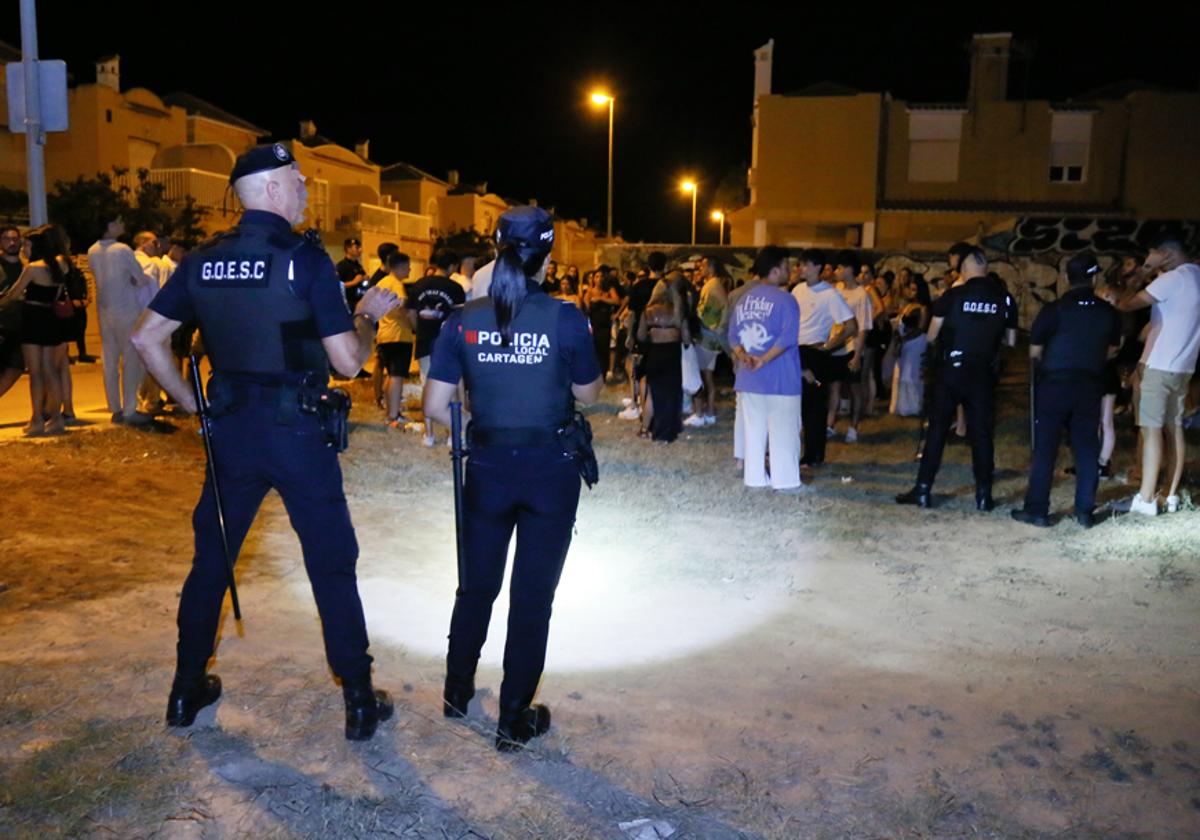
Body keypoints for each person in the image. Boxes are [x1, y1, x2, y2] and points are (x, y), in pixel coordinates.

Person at [130, 143, 399, 740]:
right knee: (331, 563)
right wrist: (367, 315)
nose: (305, 190)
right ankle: (357, 697)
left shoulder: (203, 259)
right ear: (274, 191)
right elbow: (349, 364)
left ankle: (184, 690)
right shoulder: (306, 259)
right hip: (297, 429)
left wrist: (192, 407)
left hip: (231, 430)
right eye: (299, 181)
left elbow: (147, 339)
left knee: (211, 563)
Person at [422, 205, 603, 751]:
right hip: (549, 469)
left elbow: (435, 404)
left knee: (476, 584)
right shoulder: (566, 317)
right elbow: (589, 394)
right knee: (531, 596)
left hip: (488, 468)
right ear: (547, 258)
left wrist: (485, 422)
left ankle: (457, 692)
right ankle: (513, 718)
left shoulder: (463, 317)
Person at [896, 246, 1017, 510]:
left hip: (951, 370)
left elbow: (931, 335)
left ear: (963, 270)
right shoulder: (1004, 299)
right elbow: (1010, 340)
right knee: (982, 434)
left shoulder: (953, 296)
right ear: (986, 269)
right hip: (983, 373)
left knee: (937, 430)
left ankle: (924, 489)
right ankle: (984, 496)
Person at [1012, 253, 1121, 528]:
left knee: (1046, 448)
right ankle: (1084, 510)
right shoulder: (1108, 312)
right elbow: (1113, 348)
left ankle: (1037, 510)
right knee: (1086, 446)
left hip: (1055, 384)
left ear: (1065, 278)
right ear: (1095, 277)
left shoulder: (1054, 309)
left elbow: (1034, 351)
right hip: (1090, 384)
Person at [1116, 236, 1200, 515]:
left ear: (1165, 253)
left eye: (1151, 252)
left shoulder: (1172, 279)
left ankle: (1146, 498)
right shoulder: (1197, 276)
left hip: (1159, 365)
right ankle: (1170, 494)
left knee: (1151, 430)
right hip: (1184, 366)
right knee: (1174, 428)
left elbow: (1125, 304)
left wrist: (1142, 272)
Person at [728, 246, 808, 492]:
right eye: (786, 267)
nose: (791, 271)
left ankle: (754, 478)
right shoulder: (787, 299)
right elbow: (787, 339)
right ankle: (785, 481)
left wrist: (745, 356)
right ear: (775, 271)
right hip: (781, 380)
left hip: (749, 379)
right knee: (784, 432)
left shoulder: (744, 299)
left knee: (754, 433)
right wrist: (763, 359)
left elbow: (732, 336)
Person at [0, 224, 72, 436]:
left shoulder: (32, 268)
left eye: (27, 244)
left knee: (36, 373)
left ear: (36, 246)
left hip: (32, 320)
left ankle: (37, 419)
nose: (23, 248)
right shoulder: (60, 265)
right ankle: (57, 418)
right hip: (51, 320)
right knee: (52, 370)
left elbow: (13, 294)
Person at [88, 214, 156, 424]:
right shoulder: (122, 250)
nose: (123, 224)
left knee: (109, 359)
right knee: (130, 360)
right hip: (126, 309)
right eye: (119, 221)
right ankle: (129, 409)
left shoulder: (92, 250)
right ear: (110, 226)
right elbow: (140, 278)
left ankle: (114, 407)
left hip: (104, 310)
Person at [792, 248, 857, 466]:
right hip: (795, 351)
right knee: (797, 405)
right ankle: (801, 452)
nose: (801, 268)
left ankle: (813, 454)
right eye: (800, 264)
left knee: (814, 406)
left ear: (818, 267)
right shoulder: (798, 290)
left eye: (805, 264)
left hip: (814, 353)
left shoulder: (829, 294)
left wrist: (828, 347)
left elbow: (851, 326)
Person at [406, 248, 467, 446]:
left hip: (424, 340)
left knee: (426, 386)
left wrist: (419, 330)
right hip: (448, 343)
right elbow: (460, 317)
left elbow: (410, 313)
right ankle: (453, 434)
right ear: (451, 266)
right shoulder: (455, 288)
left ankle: (429, 434)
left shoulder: (419, 284)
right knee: (452, 388)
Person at [636, 254, 689, 442]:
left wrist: (653, 333)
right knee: (672, 393)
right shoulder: (677, 311)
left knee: (653, 392)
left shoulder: (648, 311)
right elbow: (687, 337)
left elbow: (641, 336)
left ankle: (645, 429)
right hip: (672, 353)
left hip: (655, 353)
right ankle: (669, 430)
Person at [829, 252, 874, 442]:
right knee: (834, 387)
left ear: (849, 270)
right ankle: (829, 424)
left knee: (855, 388)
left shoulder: (861, 294)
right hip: (835, 348)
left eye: (839, 268)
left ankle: (854, 427)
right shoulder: (835, 290)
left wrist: (857, 355)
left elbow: (863, 327)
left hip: (851, 349)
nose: (836, 271)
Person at [375, 251, 416, 426]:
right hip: (399, 334)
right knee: (397, 375)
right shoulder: (396, 284)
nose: (410, 269)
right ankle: (394, 415)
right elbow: (402, 308)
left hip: (384, 334)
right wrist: (413, 323)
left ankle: (388, 411)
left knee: (390, 375)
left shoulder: (381, 282)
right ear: (400, 267)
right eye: (408, 266)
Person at [686, 255, 728, 426]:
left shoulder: (713, 286)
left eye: (702, 266)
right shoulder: (714, 284)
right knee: (708, 378)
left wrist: (717, 328)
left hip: (707, 340)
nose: (699, 270)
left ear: (710, 267)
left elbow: (725, 307)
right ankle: (709, 412)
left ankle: (701, 413)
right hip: (710, 339)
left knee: (701, 378)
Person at [0, 225, 26, 398]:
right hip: (1, 325)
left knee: (16, 367)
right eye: (7, 239)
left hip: (21, 327)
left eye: (15, 239)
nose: (12, 242)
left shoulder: (27, 267)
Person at [337, 237, 369, 309]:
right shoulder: (342, 266)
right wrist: (354, 282)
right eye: (357, 247)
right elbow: (336, 285)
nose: (360, 250)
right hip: (349, 303)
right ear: (348, 249)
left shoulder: (358, 266)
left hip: (360, 301)